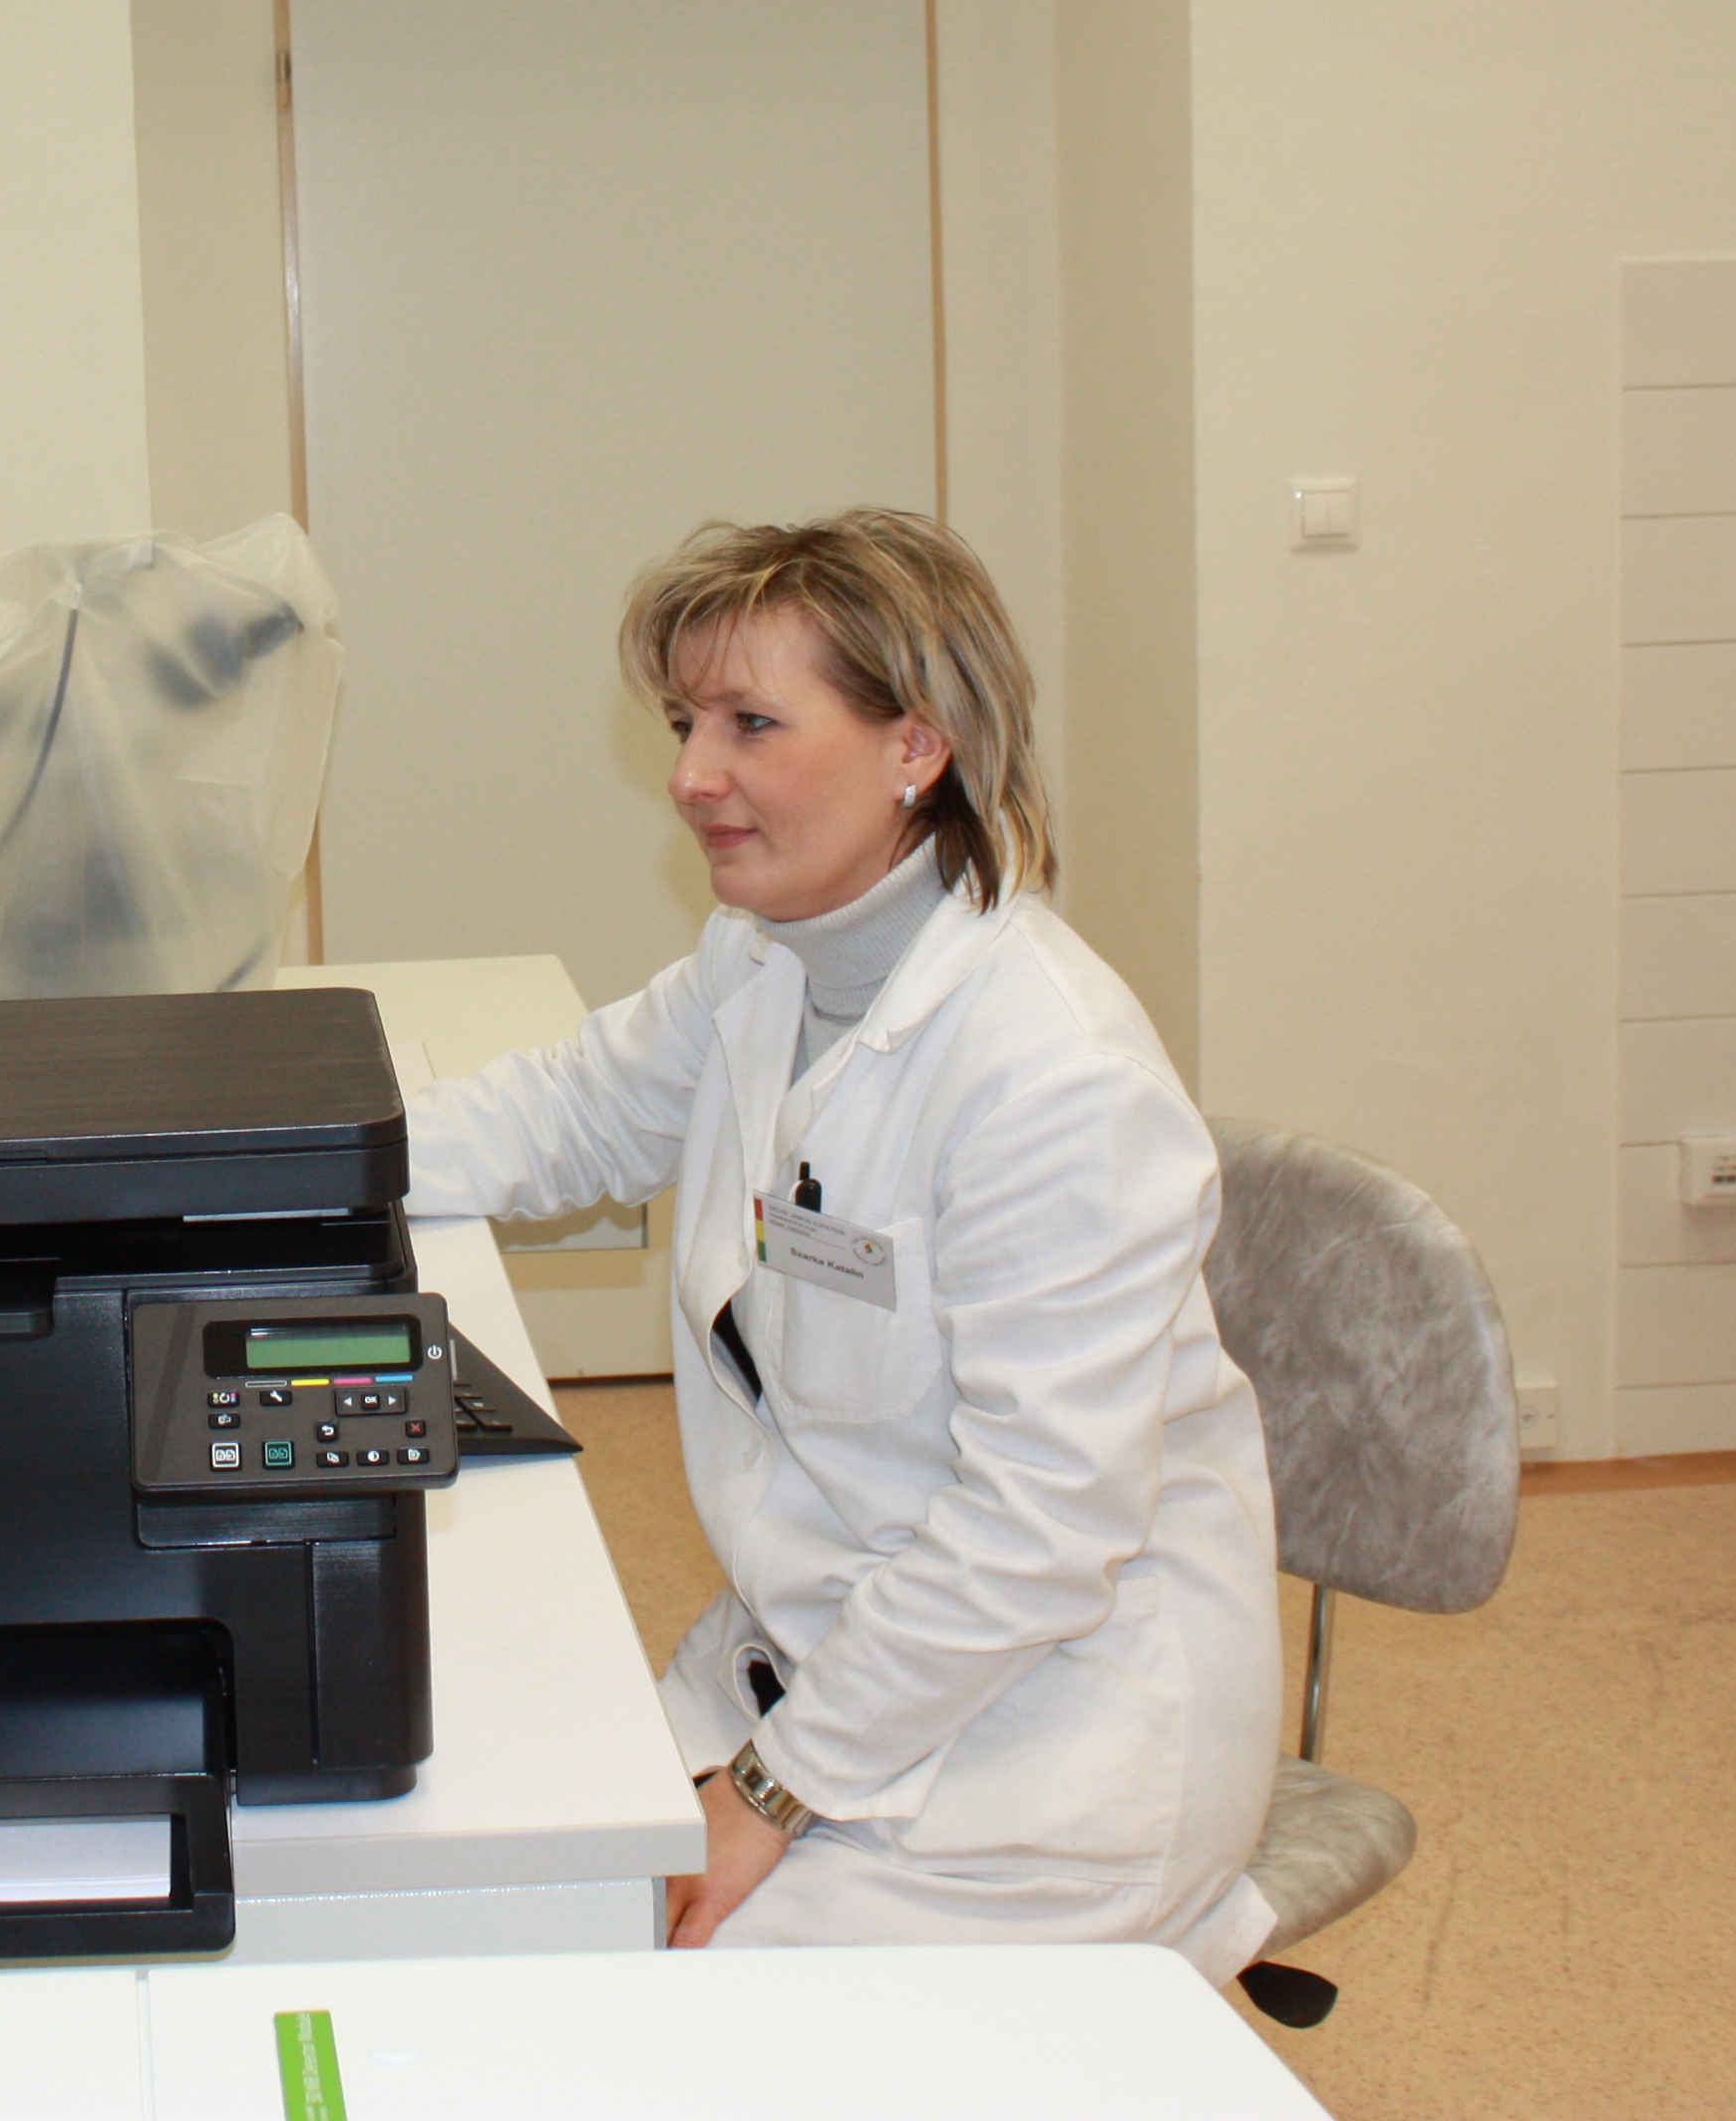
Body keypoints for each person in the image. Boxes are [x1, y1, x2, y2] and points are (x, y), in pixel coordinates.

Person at [408, 509, 1281, 1969]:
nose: (691, 775)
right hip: (815, 1655)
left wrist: (769, 1790)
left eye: (750, 723)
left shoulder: (1050, 1076)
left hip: (1040, 1748)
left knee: (601, 1984)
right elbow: (564, 1115)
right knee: (482, 1871)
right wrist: (242, 1160)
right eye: (686, 722)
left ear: (914, 747)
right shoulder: (766, 957)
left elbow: (1037, 1531)